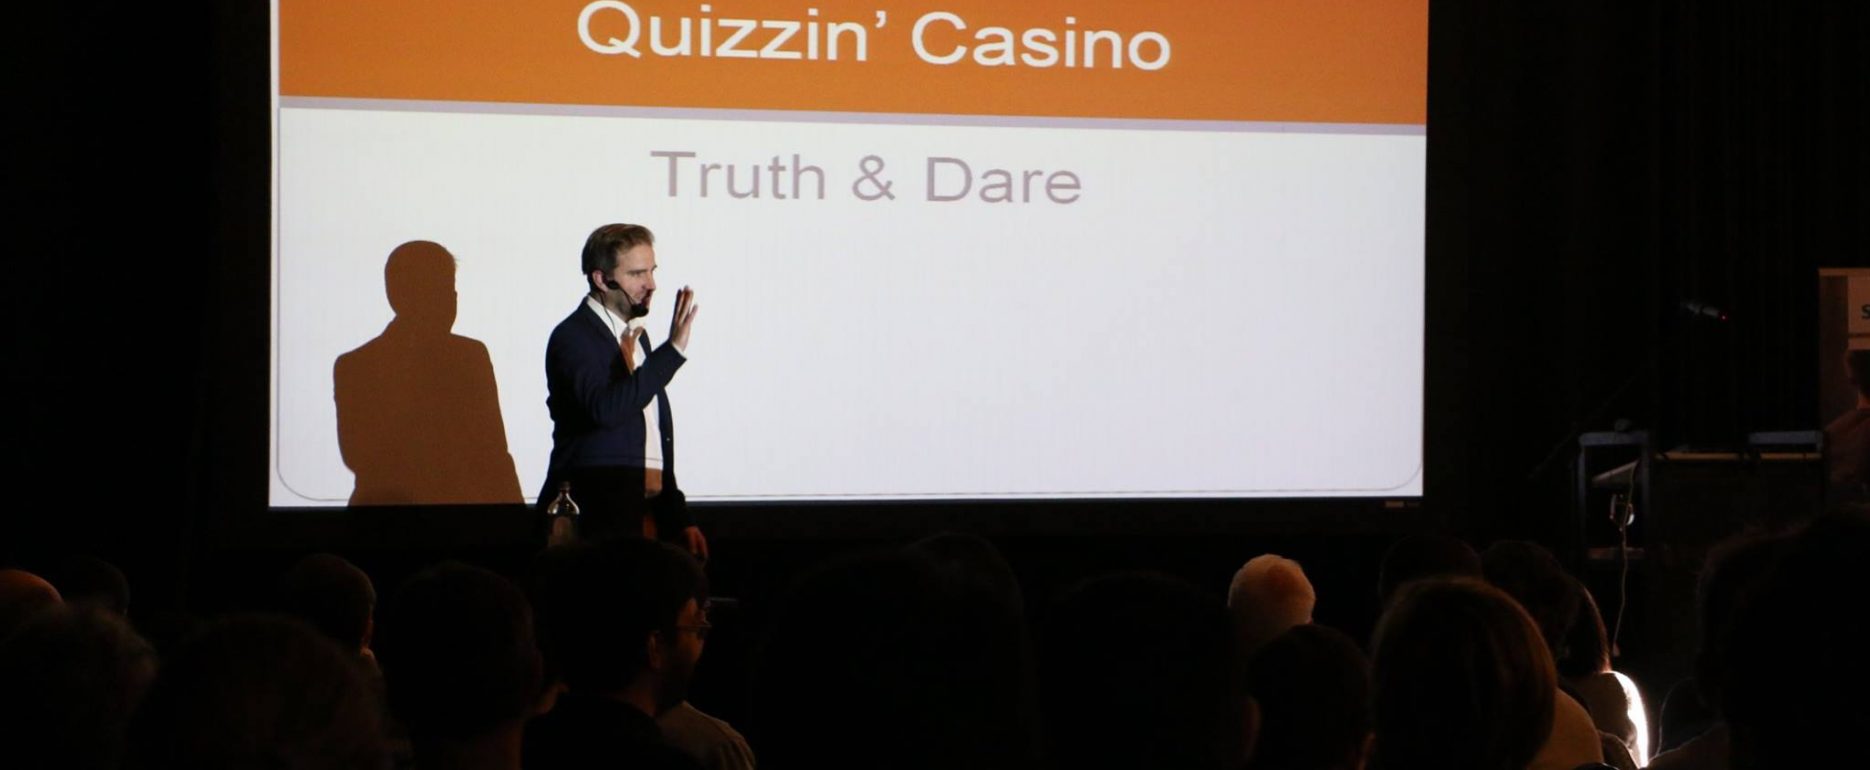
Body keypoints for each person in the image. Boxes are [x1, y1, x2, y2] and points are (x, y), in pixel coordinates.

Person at [538, 223, 707, 558]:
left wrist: (677, 515)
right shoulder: (574, 336)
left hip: (645, 516)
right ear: (602, 280)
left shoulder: (636, 338)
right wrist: (671, 352)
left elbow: (653, 436)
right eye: (637, 274)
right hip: (598, 523)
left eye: (652, 271)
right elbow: (606, 409)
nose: (651, 284)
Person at [525, 538, 709, 770]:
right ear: (655, 646)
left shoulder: (521, 746)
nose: (700, 645)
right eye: (696, 629)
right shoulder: (678, 760)